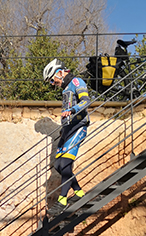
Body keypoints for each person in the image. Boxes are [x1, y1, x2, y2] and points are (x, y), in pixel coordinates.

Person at [42, 59, 91, 216]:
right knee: (58, 165)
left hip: (79, 126)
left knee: (66, 163)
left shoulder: (77, 82)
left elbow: (86, 101)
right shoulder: (65, 89)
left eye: (52, 79)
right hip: (67, 129)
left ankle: (62, 201)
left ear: (59, 72)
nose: (52, 83)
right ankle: (79, 193)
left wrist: (73, 110)